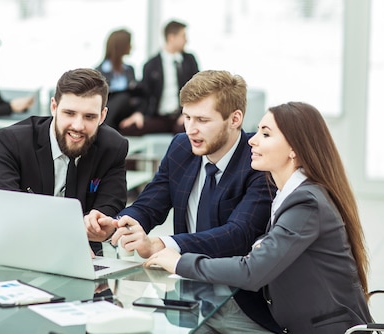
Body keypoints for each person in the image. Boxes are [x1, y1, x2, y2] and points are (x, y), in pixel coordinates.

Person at [145, 102, 372, 333]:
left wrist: (179, 262)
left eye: (266, 134)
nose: (252, 140)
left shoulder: (306, 202)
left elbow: (252, 271)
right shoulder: (290, 194)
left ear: (294, 149)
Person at [86, 70, 280, 332]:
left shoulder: (258, 161)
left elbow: (239, 235)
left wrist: (163, 244)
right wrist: (123, 222)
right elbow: (151, 202)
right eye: (187, 117)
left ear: (235, 118)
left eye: (202, 119)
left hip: (242, 301)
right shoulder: (181, 146)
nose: (191, 129)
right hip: (185, 293)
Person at [0, 68, 128, 253]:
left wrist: (99, 222)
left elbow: (111, 202)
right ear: (54, 107)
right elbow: (5, 211)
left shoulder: (114, 147)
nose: (78, 126)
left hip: (86, 254)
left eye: (89, 116)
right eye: (69, 113)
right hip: (19, 250)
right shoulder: (9, 143)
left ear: (102, 116)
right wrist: (67, 241)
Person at [119, 20, 199, 136]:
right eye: (183, 36)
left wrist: (189, 114)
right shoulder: (151, 65)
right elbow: (145, 93)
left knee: (188, 130)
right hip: (159, 117)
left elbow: (197, 90)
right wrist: (139, 113)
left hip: (182, 116)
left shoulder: (189, 61)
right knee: (128, 128)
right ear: (171, 37)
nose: (186, 40)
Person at [95, 29, 143, 131]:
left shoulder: (129, 70)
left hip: (125, 112)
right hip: (107, 111)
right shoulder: (98, 72)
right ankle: (105, 130)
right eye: (130, 43)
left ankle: (105, 130)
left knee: (125, 98)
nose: (132, 47)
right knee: (122, 97)